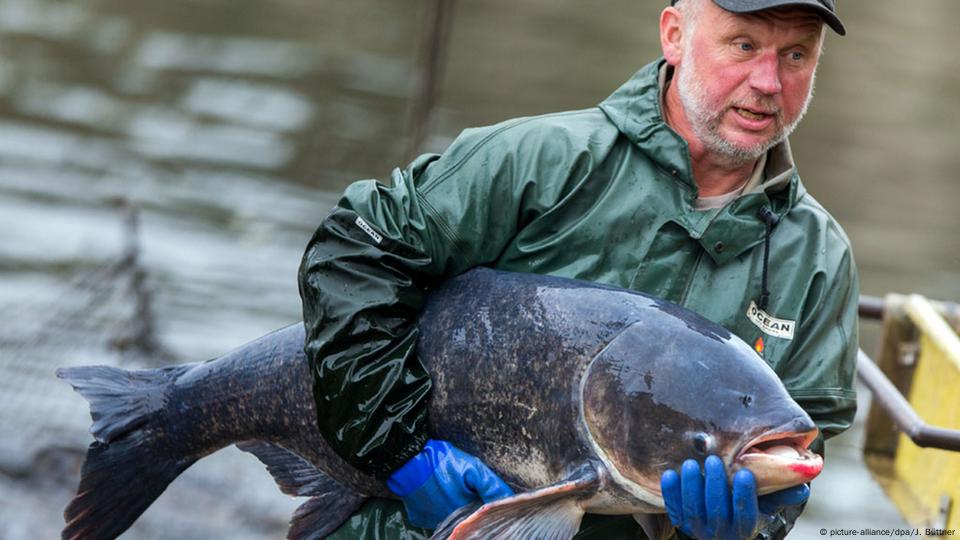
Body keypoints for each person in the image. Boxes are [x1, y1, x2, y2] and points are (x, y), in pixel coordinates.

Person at [298, 0, 858, 538]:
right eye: (744, 45)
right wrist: (404, 457)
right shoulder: (538, 161)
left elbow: (807, 442)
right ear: (674, 35)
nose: (768, 82)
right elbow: (354, 256)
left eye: (796, 56)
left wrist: (750, 528)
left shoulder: (819, 257)